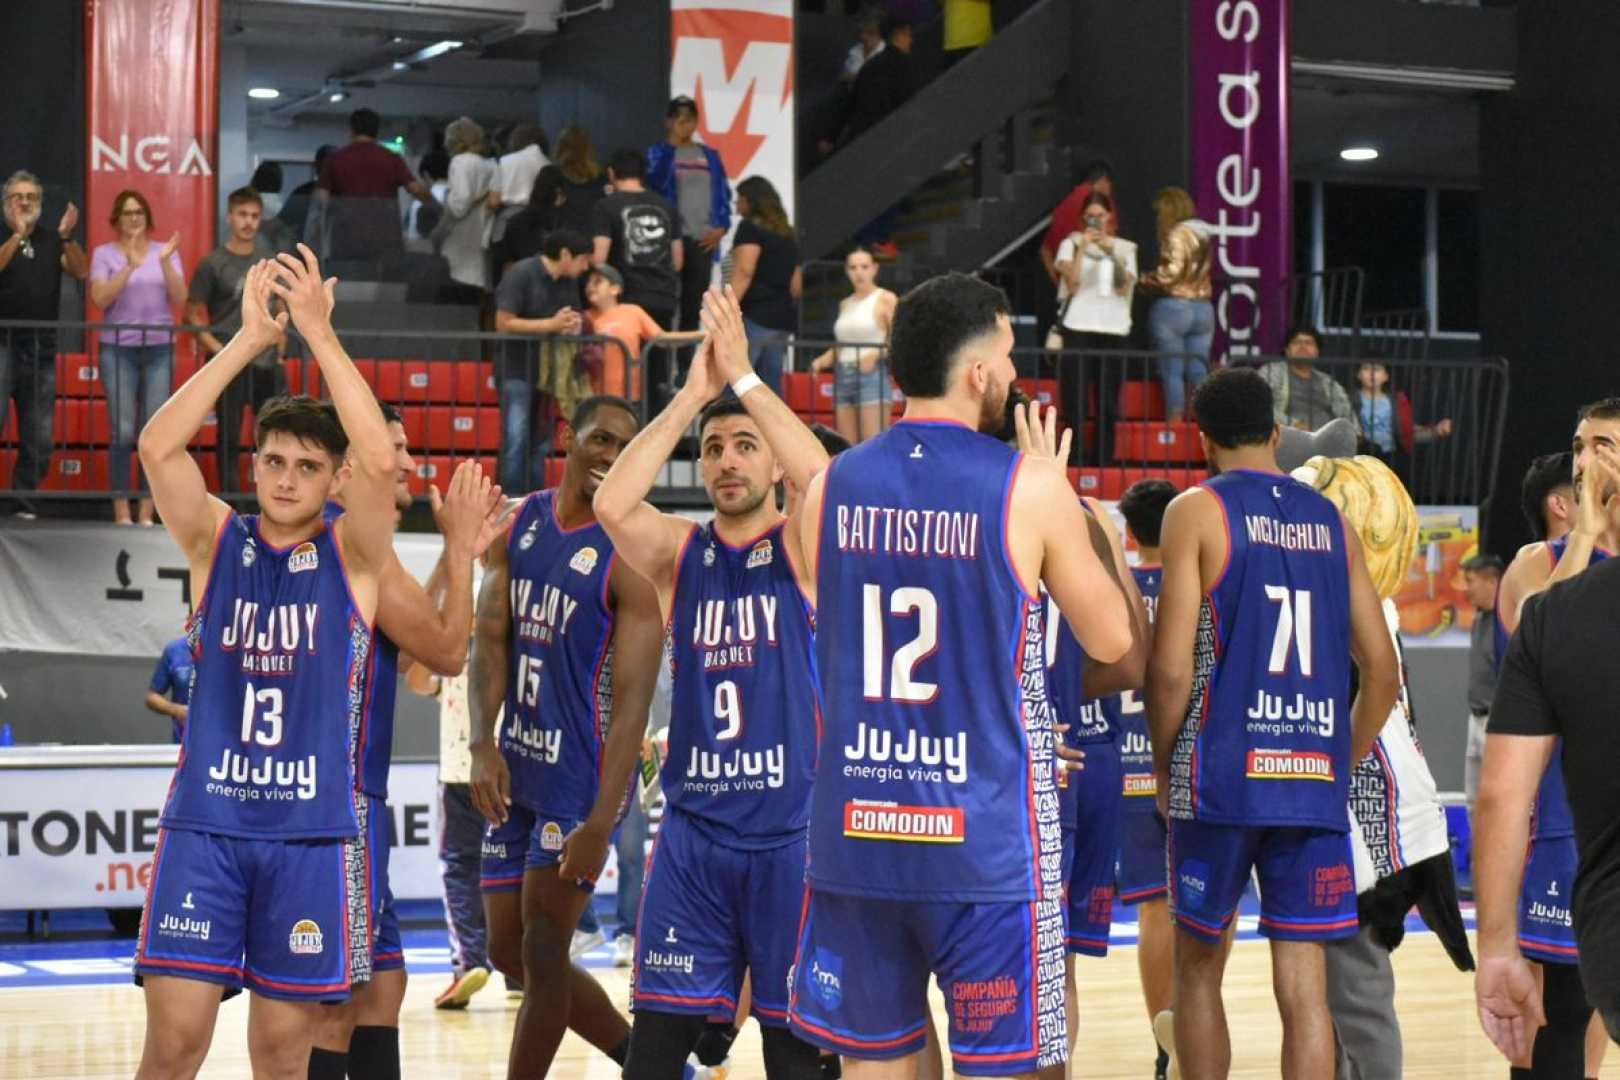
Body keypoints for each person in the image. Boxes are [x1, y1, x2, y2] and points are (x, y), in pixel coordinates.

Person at [784, 272, 1135, 1077]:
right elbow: (1112, 638)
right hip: (983, 843)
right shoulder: (1028, 485)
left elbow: (825, 608)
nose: (1013, 373)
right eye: (1007, 357)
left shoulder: (829, 486)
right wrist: (1064, 505)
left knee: (875, 1066)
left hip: (858, 833)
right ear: (977, 373)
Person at [129, 248, 398, 1077]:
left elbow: (382, 461)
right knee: (175, 1044)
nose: (286, 479)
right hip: (207, 826)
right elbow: (157, 447)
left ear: (334, 478)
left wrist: (319, 334)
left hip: (309, 836)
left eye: (307, 466)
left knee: (282, 1057)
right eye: (274, 461)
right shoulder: (217, 540)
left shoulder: (354, 556)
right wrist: (248, 341)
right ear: (255, 466)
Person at [594, 286, 828, 1078]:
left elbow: (823, 479)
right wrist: (694, 394)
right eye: (716, 448)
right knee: (654, 1056)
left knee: (795, 1057)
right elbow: (612, 501)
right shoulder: (679, 553)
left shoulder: (801, 549)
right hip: (694, 839)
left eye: (745, 446)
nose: (727, 460)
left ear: (772, 464)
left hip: (791, 836)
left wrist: (749, 381)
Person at [1146, 367, 1399, 1079]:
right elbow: (1382, 671)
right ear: (1278, 432)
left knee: (1198, 970)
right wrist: (1338, 760)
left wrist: (1165, 768)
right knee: (1305, 989)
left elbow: (1170, 672)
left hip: (1220, 777)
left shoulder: (1195, 510)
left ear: (1202, 439)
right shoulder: (1333, 522)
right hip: (1309, 780)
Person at [468, 394, 663, 1079]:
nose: (612, 456)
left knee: (545, 950)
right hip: (516, 770)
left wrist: (602, 822)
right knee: (507, 951)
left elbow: (634, 706)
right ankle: (652, 1066)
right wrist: (481, 742)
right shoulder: (521, 522)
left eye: (627, 447)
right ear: (566, 438)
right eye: (601, 439)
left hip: (579, 783)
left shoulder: (632, 554)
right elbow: (490, 637)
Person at [308, 416, 508, 1080]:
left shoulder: (354, 547)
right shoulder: (343, 540)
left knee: (382, 988)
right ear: (351, 465)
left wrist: (456, 556)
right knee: (337, 1004)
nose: (409, 461)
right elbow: (443, 654)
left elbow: (412, 641)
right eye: (395, 447)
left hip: (354, 799)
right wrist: (462, 551)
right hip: (338, 805)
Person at [1290, 452, 1473, 1080]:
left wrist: (1333, 771)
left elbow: (1378, 690)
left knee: (1357, 997)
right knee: (1333, 1003)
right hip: (1367, 818)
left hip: (1366, 827)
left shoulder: (1347, 610)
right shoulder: (1372, 604)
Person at [1486, 403, 1620, 1080]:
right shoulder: (1536, 564)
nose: (1586, 459)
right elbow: (1552, 646)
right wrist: (1585, 535)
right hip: (1563, 827)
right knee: (1560, 1020)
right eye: (1579, 445)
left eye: (1605, 444)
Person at [1111, 478, 1177, 1079]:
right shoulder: (1196, 587)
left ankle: (1165, 1040)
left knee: (1153, 911)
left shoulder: (1115, 589)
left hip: (1129, 768)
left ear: (1129, 533)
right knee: (1209, 907)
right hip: (1187, 762)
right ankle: (1196, 1018)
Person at [406, 635, 496, 1010]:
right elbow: (419, 681)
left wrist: (441, 638)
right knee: (514, 866)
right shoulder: (508, 639)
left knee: (459, 866)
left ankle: (469, 962)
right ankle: (521, 970)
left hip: (462, 772)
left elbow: (416, 680)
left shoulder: (459, 646)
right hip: (507, 769)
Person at [90, 189, 185, 525]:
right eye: (127, 213)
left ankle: (146, 510)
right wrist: (128, 267)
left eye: (139, 212)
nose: (134, 218)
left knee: (153, 432)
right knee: (123, 429)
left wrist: (166, 263)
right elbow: (100, 299)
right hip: (118, 349)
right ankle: (121, 509)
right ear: (117, 220)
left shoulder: (164, 252)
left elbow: (180, 296)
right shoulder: (104, 254)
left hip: (159, 348)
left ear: (147, 218)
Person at [0, 169, 87, 513]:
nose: (25, 203)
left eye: (31, 197)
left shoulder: (52, 240)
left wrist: (67, 237)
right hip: (2, 344)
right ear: (6, 202)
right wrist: (16, 235)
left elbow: (80, 270)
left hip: (41, 348)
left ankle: (23, 500)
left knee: (39, 435)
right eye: (18, 197)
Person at [188, 187, 284, 496]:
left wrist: (279, 351)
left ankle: (269, 502)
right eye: (242, 214)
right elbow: (192, 313)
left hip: (265, 361)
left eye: (254, 216)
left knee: (273, 437)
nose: (248, 222)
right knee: (228, 436)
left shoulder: (269, 263)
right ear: (230, 217)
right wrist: (217, 350)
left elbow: (281, 307)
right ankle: (232, 504)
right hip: (227, 361)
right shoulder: (212, 263)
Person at [494, 229, 593, 493]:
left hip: (551, 373)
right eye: (583, 259)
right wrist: (551, 324)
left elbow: (571, 316)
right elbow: (503, 322)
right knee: (516, 436)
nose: (585, 267)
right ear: (565, 255)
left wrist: (573, 325)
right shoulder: (521, 274)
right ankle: (510, 500)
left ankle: (533, 498)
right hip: (517, 368)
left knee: (540, 441)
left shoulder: (568, 282)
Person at [593, 149, 683, 411]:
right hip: (663, 298)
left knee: (622, 374)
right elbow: (678, 261)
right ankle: (656, 430)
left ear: (611, 174)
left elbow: (600, 257)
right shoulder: (667, 207)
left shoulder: (605, 206)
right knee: (658, 376)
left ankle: (625, 429)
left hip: (627, 302)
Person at [1053, 191, 1137, 460]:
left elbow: (1124, 287)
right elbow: (1073, 284)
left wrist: (1110, 252)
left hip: (1113, 327)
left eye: (1100, 215)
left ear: (1109, 216)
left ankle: (1104, 458)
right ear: (1082, 218)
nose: (1095, 221)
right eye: (1090, 216)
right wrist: (1083, 247)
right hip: (1078, 324)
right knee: (1075, 396)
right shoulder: (1070, 244)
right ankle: (1074, 455)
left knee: (1108, 399)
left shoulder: (1125, 248)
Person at [647, 96, 732, 345]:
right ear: (669, 122)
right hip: (668, 240)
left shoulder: (710, 155)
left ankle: (686, 362)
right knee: (664, 304)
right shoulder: (658, 152)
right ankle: (661, 360)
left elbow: (723, 193)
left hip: (702, 240)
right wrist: (670, 148)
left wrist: (722, 226)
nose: (685, 125)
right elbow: (654, 183)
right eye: (680, 120)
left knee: (692, 306)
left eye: (690, 120)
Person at [315, 107, 437, 273]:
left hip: (346, 239)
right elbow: (415, 189)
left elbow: (320, 200)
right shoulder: (392, 159)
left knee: (348, 285)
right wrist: (434, 201)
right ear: (377, 131)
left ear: (352, 130)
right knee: (385, 286)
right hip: (385, 240)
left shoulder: (335, 159)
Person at [1139, 187, 1213, 423]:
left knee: (1172, 370)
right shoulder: (1204, 234)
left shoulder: (1177, 234)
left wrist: (1144, 280)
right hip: (1203, 308)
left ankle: (1175, 423)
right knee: (1199, 370)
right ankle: (1206, 423)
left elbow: (1171, 273)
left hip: (1174, 307)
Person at [809, 247, 897, 446]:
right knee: (846, 445)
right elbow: (842, 344)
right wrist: (821, 361)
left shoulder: (886, 298)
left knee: (872, 445)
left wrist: (876, 354)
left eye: (864, 267)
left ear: (874, 269)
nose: (859, 272)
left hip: (871, 374)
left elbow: (899, 337)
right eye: (853, 267)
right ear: (847, 271)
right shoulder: (845, 304)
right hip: (843, 374)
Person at [582, 265, 702, 404]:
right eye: (588, 282)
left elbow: (662, 339)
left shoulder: (633, 311)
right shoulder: (584, 317)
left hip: (628, 396)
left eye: (597, 281)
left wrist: (701, 335)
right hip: (592, 397)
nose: (591, 286)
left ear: (615, 289)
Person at [728, 176, 802, 394]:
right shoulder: (787, 233)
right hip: (782, 319)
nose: (736, 204)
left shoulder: (749, 228)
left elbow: (744, 271)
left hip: (755, 316)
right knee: (770, 388)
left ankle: (731, 418)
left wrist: (727, 307)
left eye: (740, 198)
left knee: (738, 382)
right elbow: (796, 285)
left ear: (751, 201)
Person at [431, 117, 497, 305]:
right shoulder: (490, 165)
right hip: (480, 241)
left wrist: (446, 196)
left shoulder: (460, 162)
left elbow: (459, 205)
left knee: (452, 305)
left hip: (459, 245)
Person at [1352, 360, 1454, 476]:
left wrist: (1436, 431)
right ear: (1358, 374)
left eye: (1377, 369)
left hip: (1391, 458)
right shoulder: (1348, 399)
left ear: (1386, 376)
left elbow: (1407, 432)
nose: (1372, 373)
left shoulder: (1397, 401)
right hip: (1359, 459)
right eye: (1366, 368)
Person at [1463, 553, 1504, 812]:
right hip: (1475, 718)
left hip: (1497, 722)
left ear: (1492, 581)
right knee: (1473, 800)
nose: (1467, 589)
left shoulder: (1508, 623)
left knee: (1496, 798)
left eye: (1471, 581)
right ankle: (1476, 841)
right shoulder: (1478, 621)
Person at [1259, 326, 1355, 432]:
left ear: (1317, 352)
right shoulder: (1271, 372)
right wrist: (1294, 424)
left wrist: (1356, 434)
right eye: (1296, 342)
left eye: (1309, 343)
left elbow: (1347, 414)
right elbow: (1259, 407)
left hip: (1329, 437)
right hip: (1289, 435)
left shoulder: (1328, 382)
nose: (1303, 347)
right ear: (1287, 351)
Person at [1041, 161, 1117, 288]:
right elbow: (1111, 240)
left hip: (1068, 286)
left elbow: (1045, 251)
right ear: (1103, 180)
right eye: (1110, 183)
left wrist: (1058, 283)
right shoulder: (1103, 205)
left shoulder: (1061, 208)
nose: (1111, 188)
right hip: (1096, 285)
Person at [496, 166, 567, 275]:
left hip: (521, 279)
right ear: (559, 192)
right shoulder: (563, 222)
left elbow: (508, 265)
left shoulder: (516, 221)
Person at [491, 122, 551, 245]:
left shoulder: (505, 162)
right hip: (539, 222)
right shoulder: (548, 164)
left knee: (502, 253)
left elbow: (494, 201)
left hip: (507, 219)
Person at [553, 126, 608, 236]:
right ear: (588, 148)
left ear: (560, 147)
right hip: (595, 235)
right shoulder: (601, 176)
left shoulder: (553, 175)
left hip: (563, 236)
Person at [144, 635, 195, 745]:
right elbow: (152, 697)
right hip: (183, 743)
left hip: (221, 745)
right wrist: (178, 710)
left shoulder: (226, 651)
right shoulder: (175, 650)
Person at [277, 145, 334, 243]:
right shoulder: (302, 192)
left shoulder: (345, 194)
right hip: (303, 248)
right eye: (326, 165)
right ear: (317, 166)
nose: (329, 170)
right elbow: (282, 224)